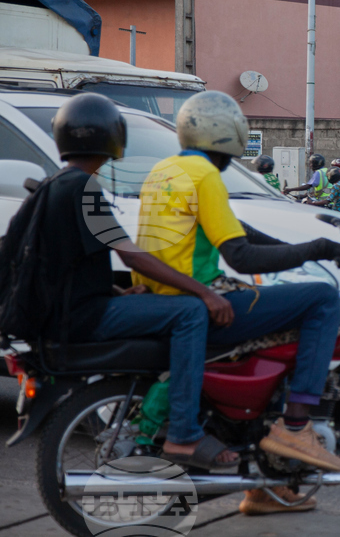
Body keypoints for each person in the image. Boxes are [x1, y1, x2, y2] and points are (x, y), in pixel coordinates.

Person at [134, 91, 340, 489]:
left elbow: (235, 231)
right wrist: (322, 249)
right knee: (322, 299)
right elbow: (240, 256)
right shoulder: (206, 175)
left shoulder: (166, 169)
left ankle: (272, 483)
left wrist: (310, 250)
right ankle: (295, 424)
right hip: (199, 302)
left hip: (163, 300)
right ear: (228, 136)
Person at [18, 93, 241, 472]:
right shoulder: (84, 190)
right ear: (113, 137)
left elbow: (66, 267)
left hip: (70, 311)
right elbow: (132, 255)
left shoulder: (54, 184)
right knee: (190, 312)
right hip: (84, 317)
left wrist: (122, 291)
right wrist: (203, 291)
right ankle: (185, 432)